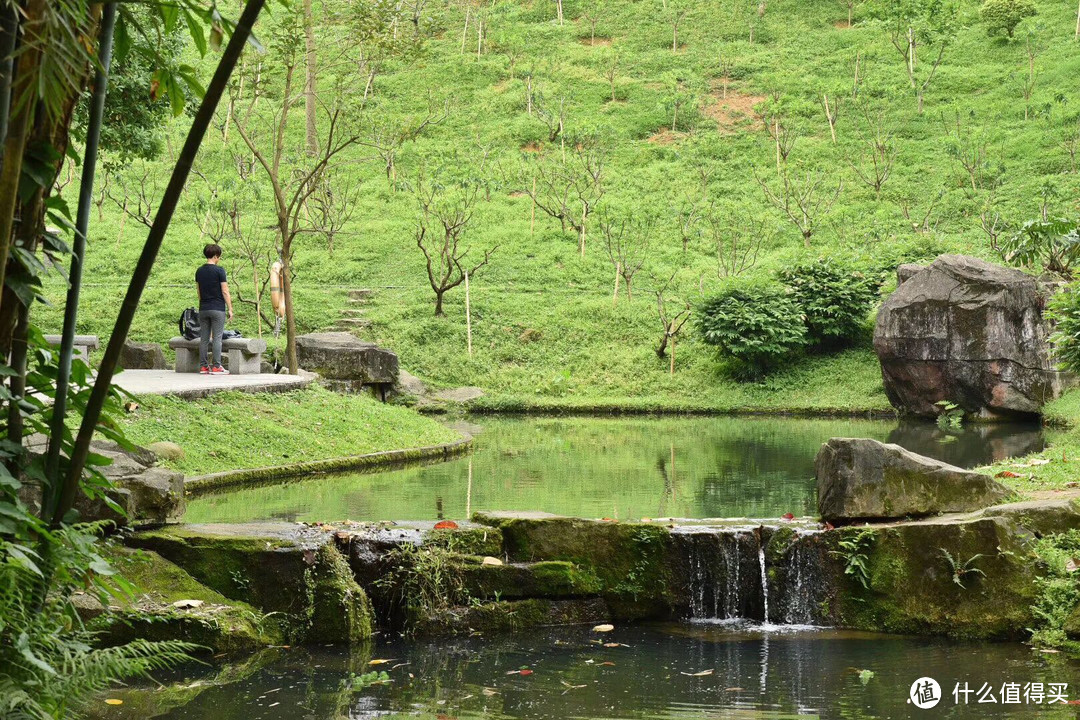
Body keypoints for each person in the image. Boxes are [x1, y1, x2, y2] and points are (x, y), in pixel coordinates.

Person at [195, 243, 234, 375]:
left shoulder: (199, 271)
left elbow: (199, 292)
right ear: (216, 256)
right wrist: (230, 308)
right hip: (217, 308)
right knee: (217, 337)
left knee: (204, 338)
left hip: (203, 308)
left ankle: (203, 367)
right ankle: (217, 366)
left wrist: (203, 303)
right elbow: (225, 291)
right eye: (219, 257)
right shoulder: (219, 271)